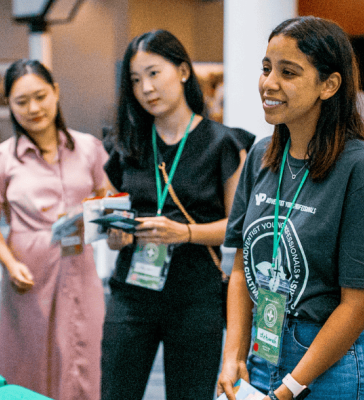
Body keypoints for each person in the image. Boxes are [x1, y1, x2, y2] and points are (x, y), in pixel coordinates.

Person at [100, 30, 254, 400]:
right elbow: (113, 206)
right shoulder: (127, 143)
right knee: (116, 392)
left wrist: (183, 232)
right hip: (132, 290)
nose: (146, 88)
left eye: (154, 73)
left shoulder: (223, 143)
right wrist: (115, 232)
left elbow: (239, 227)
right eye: (136, 80)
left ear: (183, 71)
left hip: (196, 293)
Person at [218, 16, 364, 400]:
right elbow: (239, 266)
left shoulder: (357, 167)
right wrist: (232, 351)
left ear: (329, 85)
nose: (269, 83)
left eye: (289, 72)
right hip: (260, 350)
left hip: (326, 363)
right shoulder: (260, 158)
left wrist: (291, 387)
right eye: (266, 69)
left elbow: (357, 305)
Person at [0, 59, 108, 400]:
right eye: (21, 101)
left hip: (80, 266)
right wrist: (9, 264)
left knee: (85, 354)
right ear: (9, 104)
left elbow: (106, 195)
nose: (34, 108)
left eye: (40, 96)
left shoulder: (88, 148)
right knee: (30, 360)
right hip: (29, 273)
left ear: (55, 93)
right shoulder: (0, 158)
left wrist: (101, 219)